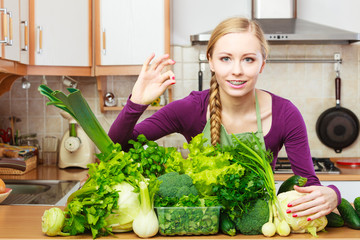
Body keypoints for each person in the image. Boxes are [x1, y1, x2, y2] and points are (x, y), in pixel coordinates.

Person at [108, 17, 340, 220]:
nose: (237, 70)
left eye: (248, 59)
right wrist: (136, 102)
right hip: (200, 225)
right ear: (211, 61)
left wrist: (333, 194)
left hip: (260, 225)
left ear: (262, 63)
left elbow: (308, 184)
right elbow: (117, 147)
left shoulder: (285, 113)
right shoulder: (191, 108)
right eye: (226, 58)